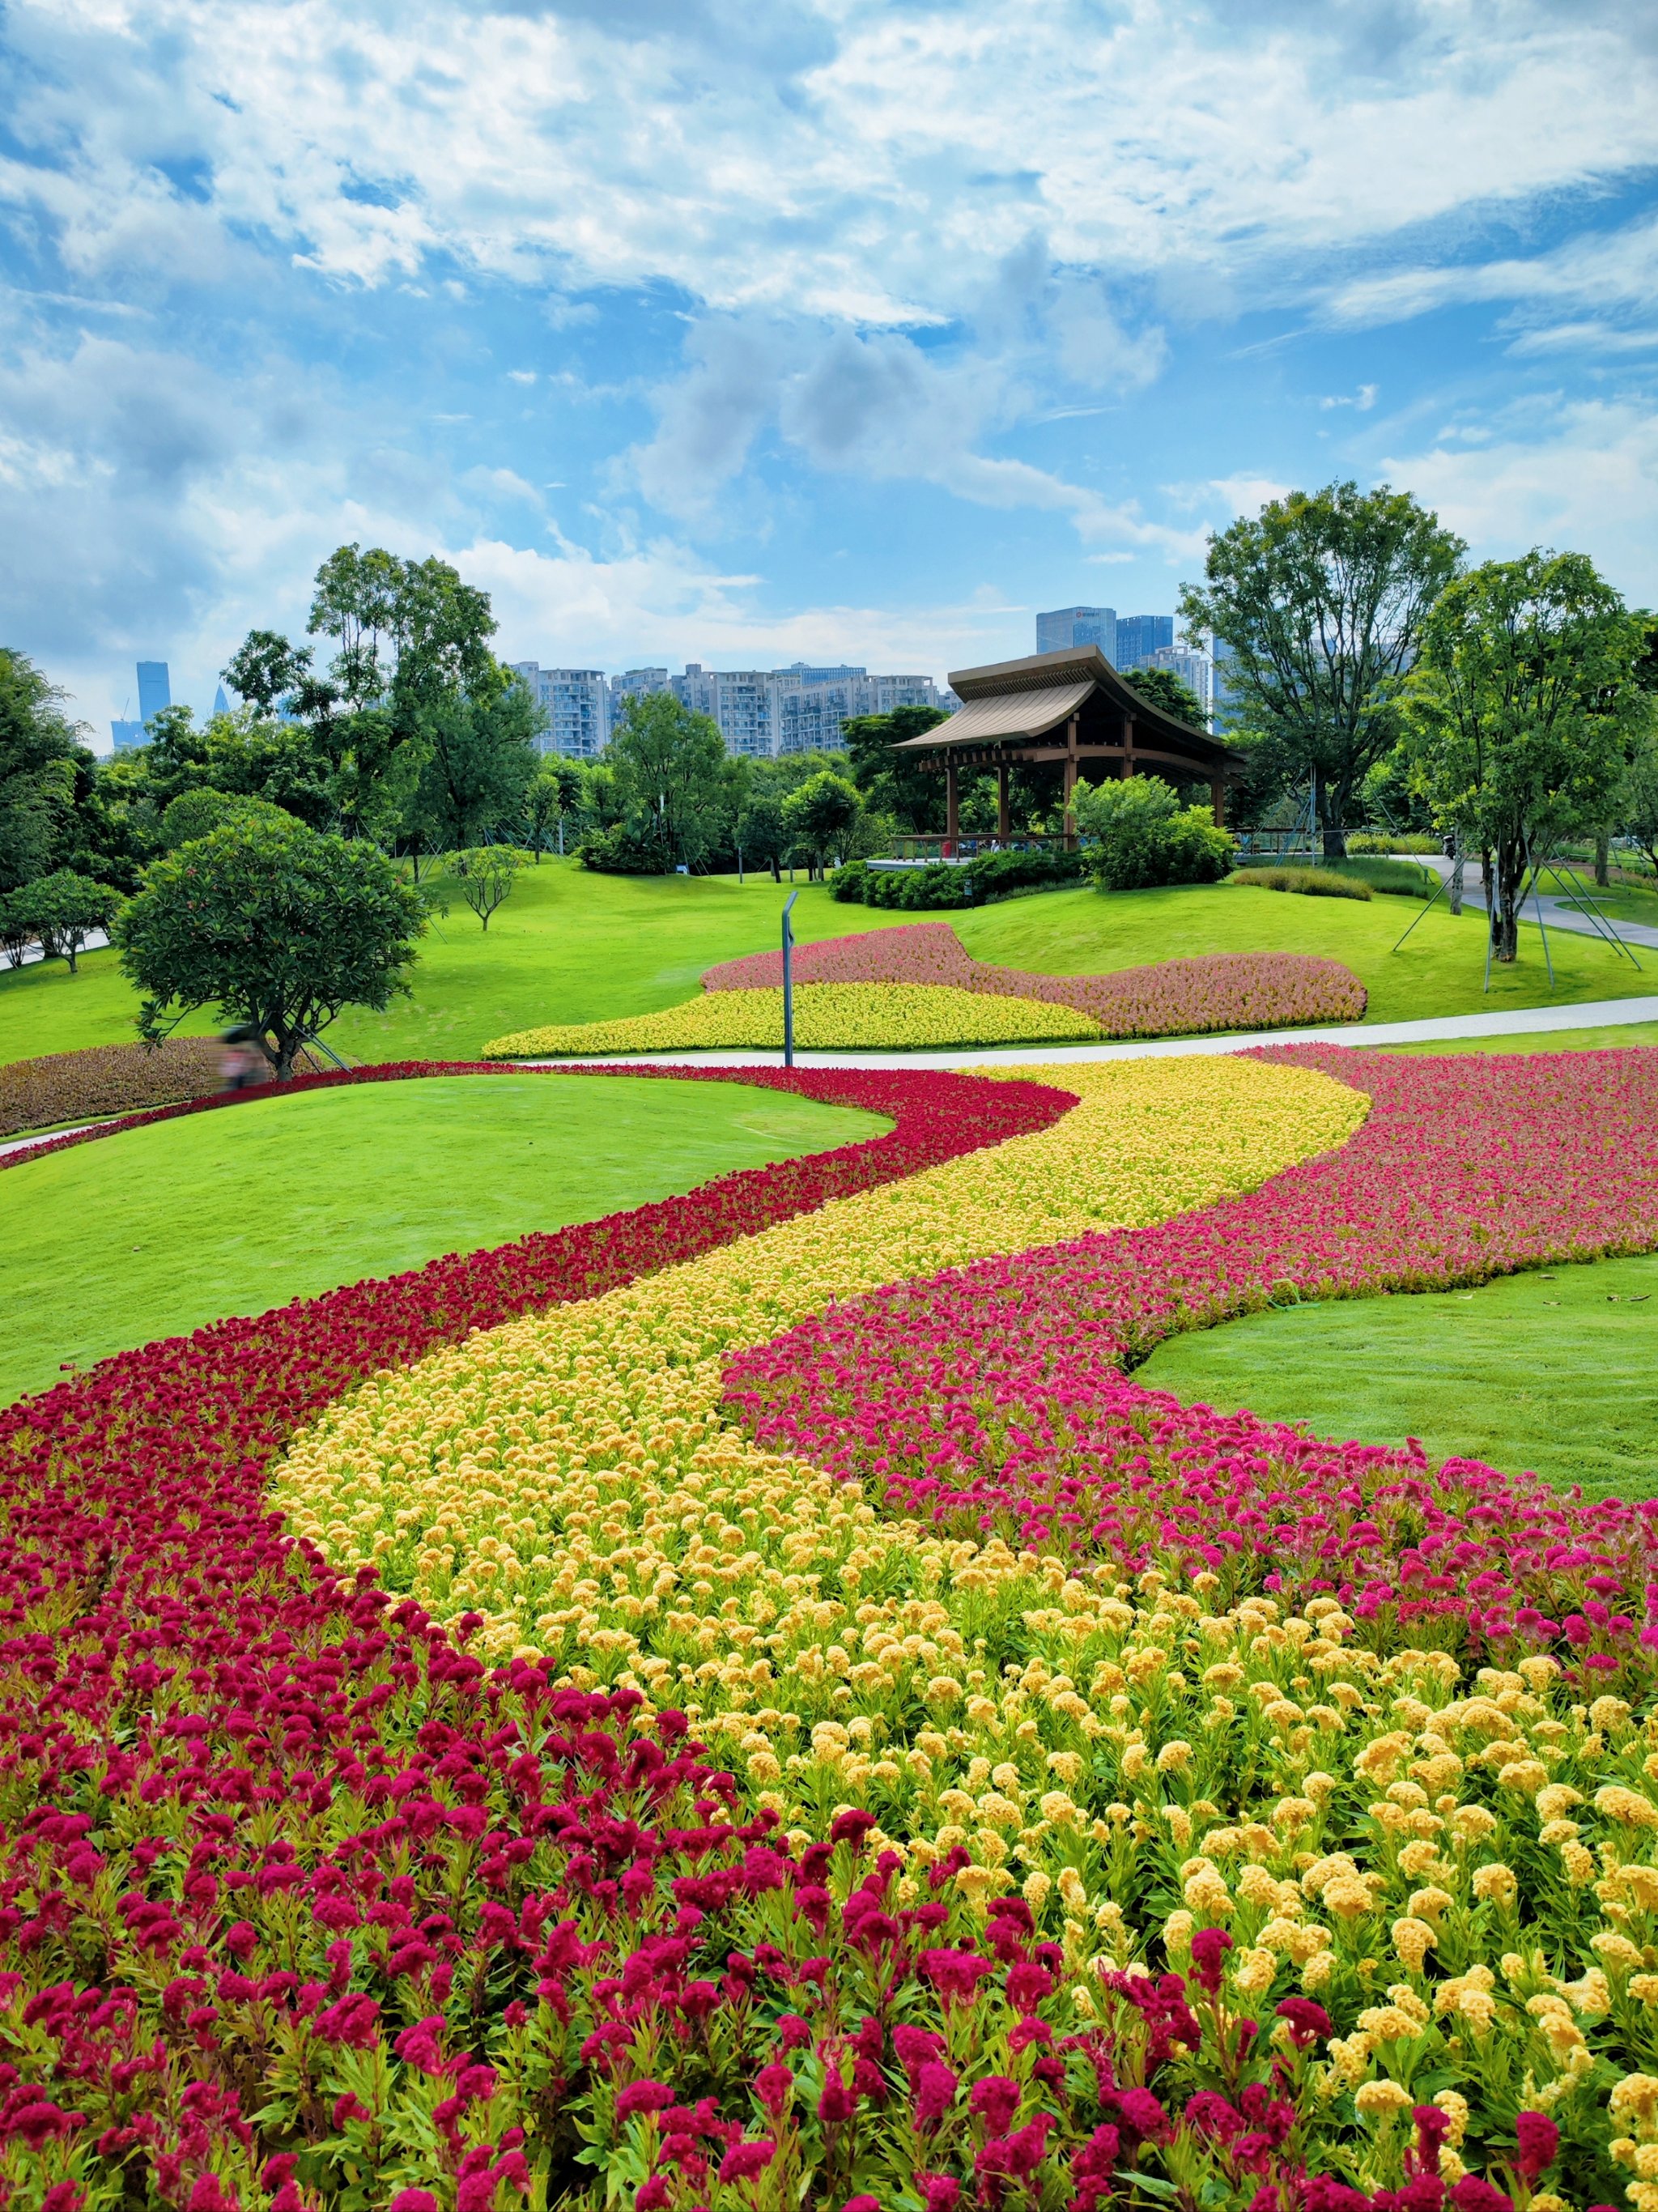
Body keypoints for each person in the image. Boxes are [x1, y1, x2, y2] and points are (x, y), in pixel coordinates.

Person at [219, 1026, 266, 1093]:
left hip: (245, 1075)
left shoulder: (248, 1051)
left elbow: (255, 1061)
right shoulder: (237, 1053)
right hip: (240, 1075)